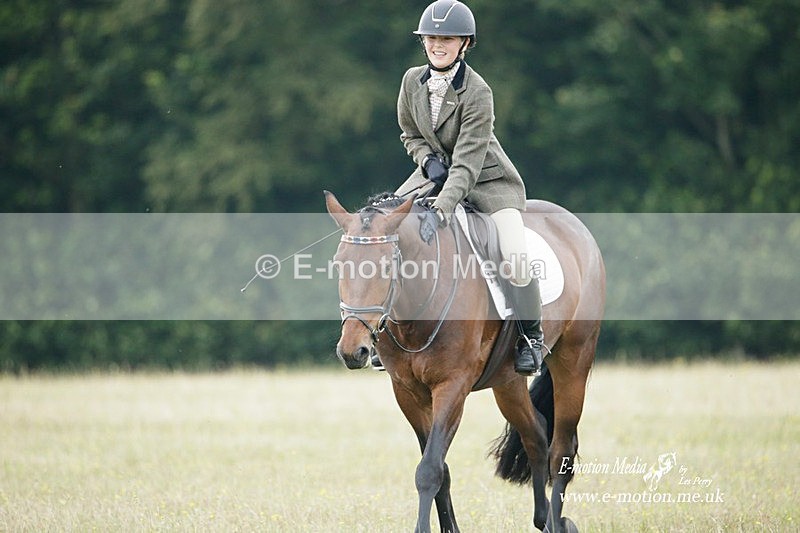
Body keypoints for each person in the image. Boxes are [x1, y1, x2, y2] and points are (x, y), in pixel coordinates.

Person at [394, 0, 544, 375]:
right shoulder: (412, 80)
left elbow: (466, 163)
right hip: (432, 175)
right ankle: (384, 334)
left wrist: (441, 209)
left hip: (487, 181)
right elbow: (409, 133)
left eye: (447, 38)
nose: (437, 44)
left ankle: (531, 337)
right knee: (385, 232)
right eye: (431, 37)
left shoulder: (478, 91)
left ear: (465, 43)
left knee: (514, 257)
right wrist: (426, 159)